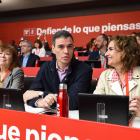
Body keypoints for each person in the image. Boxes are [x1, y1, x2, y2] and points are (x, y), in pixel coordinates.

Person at [23, 30, 93, 110]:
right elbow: (29, 95)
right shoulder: (45, 67)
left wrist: (41, 94)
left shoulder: (84, 70)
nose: (66, 51)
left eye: (69, 46)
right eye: (61, 47)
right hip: (47, 117)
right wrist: (41, 102)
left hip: (72, 118)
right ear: (53, 49)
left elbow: (72, 102)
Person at [94, 35, 140, 118]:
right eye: (107, 50)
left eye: (111, 49)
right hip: (112, 124)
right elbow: (95, 104)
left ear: (125, 51)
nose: (106, 54)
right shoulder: (104, 75)